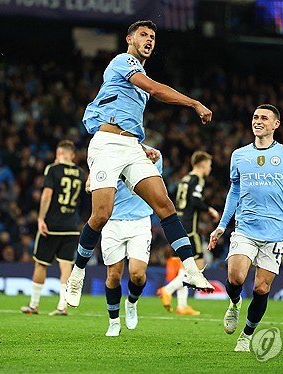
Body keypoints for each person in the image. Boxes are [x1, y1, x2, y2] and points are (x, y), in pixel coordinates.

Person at [65, 20, 214, 309]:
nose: (149, 39)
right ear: (129, 39)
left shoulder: (137, 76)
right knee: (101, 214)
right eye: (143, 35)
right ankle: (77, 273)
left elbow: (122, 116)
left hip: (131, 147)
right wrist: (194, 103)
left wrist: (142, 146)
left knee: (165, 206)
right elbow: (157, 90)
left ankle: (192, 270)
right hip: (107, 146)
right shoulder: (123, 61)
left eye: (153, 37)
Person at [208, 104, 283, 352]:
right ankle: (234, 304)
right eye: (255, 117)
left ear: (276, 124)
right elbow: (234, 191)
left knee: (261, 288)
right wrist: (223, 225)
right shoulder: (239, 155)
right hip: (245, 227)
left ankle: (246, 335)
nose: (258, 121)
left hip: (276, 231)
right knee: (235, 278)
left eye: (264, 118)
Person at [97, 147, 163, 336]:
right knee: (114, 276)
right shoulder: (108, 152)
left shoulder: (153, 155)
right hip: (113, 222)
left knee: (137, 274)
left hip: (140, 221)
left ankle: (132, 302)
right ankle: (114, 321)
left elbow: (155, 185)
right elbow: (92, 182)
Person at [21, 140, 87, 316]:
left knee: (41, 264)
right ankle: (62, 306)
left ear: (59, 154)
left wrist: (41, 218)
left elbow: (47, 195)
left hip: (52, 226)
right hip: (71, 226)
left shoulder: (53, 169)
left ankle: (34, 305)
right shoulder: (81, 173)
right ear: (72, 155)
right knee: (66, 267)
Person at [157, 151, 219, 315]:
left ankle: (182, 306)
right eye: (209, 165)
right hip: (190, 229)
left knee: (185, 268)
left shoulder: (184, 179)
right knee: (196, 269)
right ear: (203, 164)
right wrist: (210, 209)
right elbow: (195, 200)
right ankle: (168, 290)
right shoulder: (198, 179)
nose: (210, 169)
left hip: (179, 224)